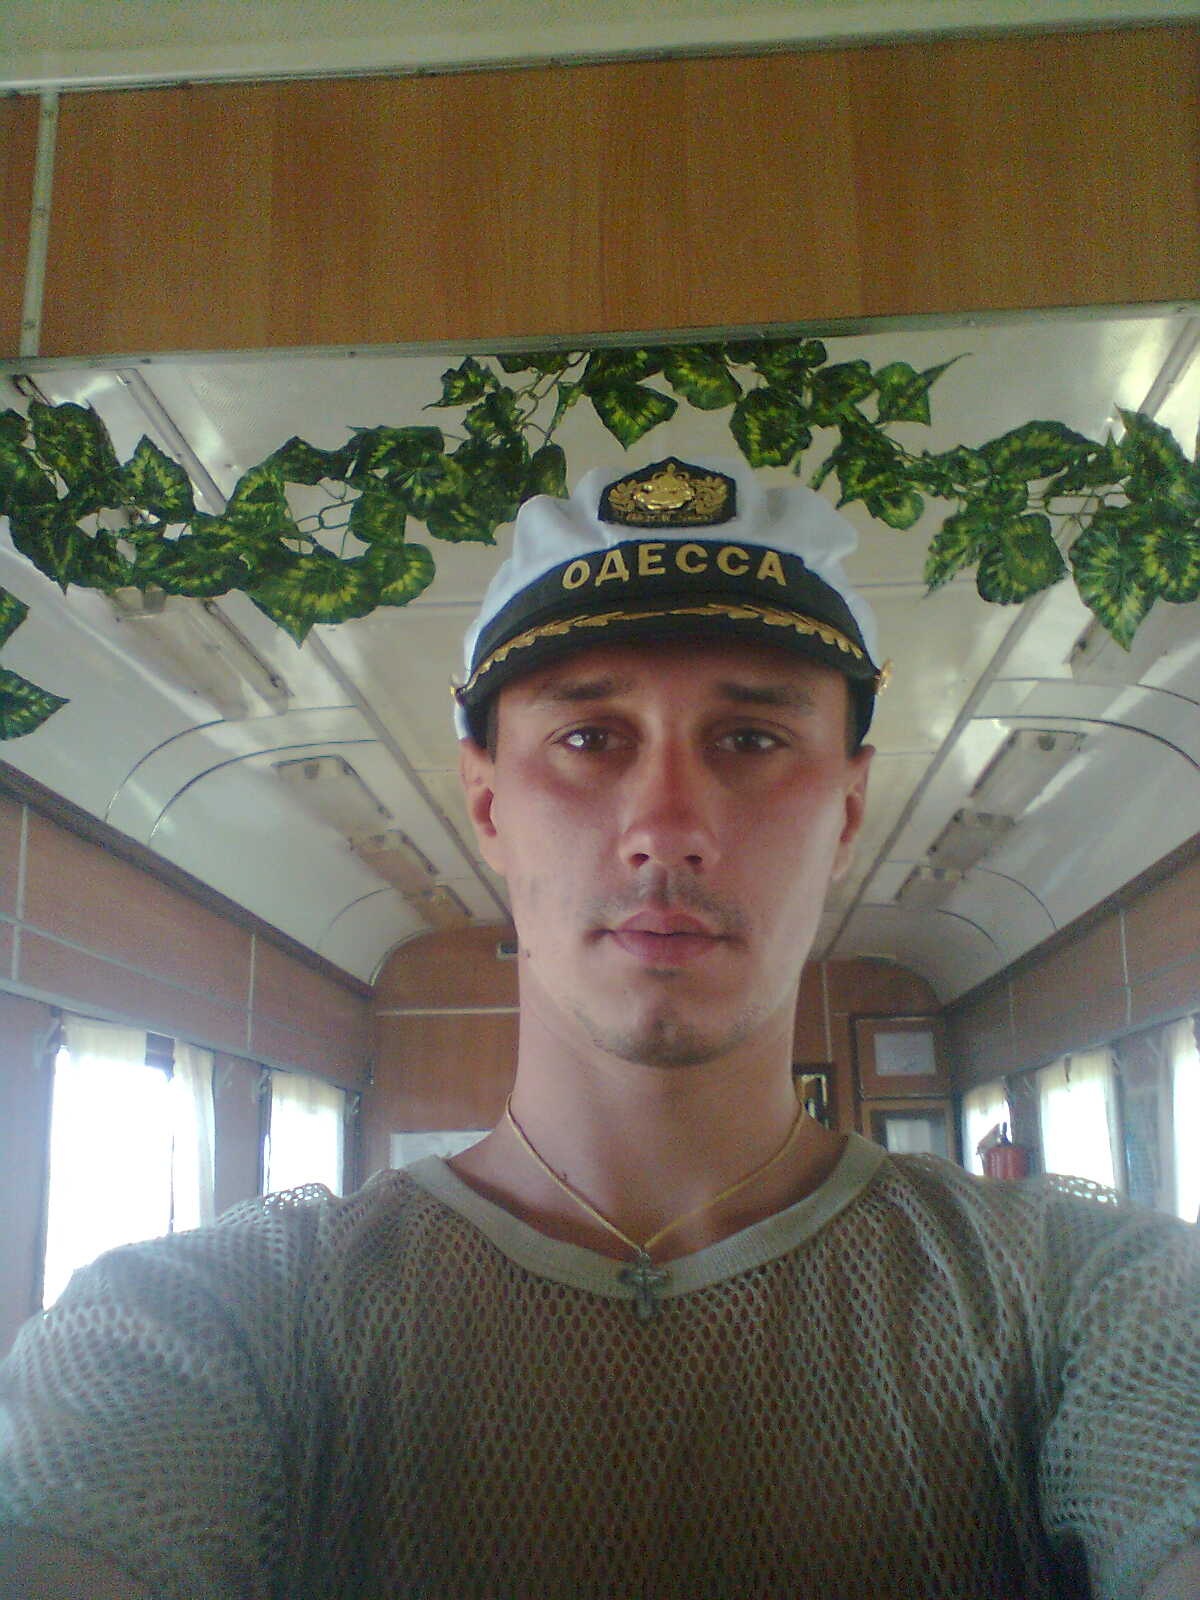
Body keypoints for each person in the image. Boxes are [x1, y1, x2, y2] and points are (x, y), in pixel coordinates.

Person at [1, 456, 1198, 1599]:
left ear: (846, 810)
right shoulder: (211, 1326)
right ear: (486, 802)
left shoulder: (1091, 1301)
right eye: (588, 738)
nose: (667, 826)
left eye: (750, 739)